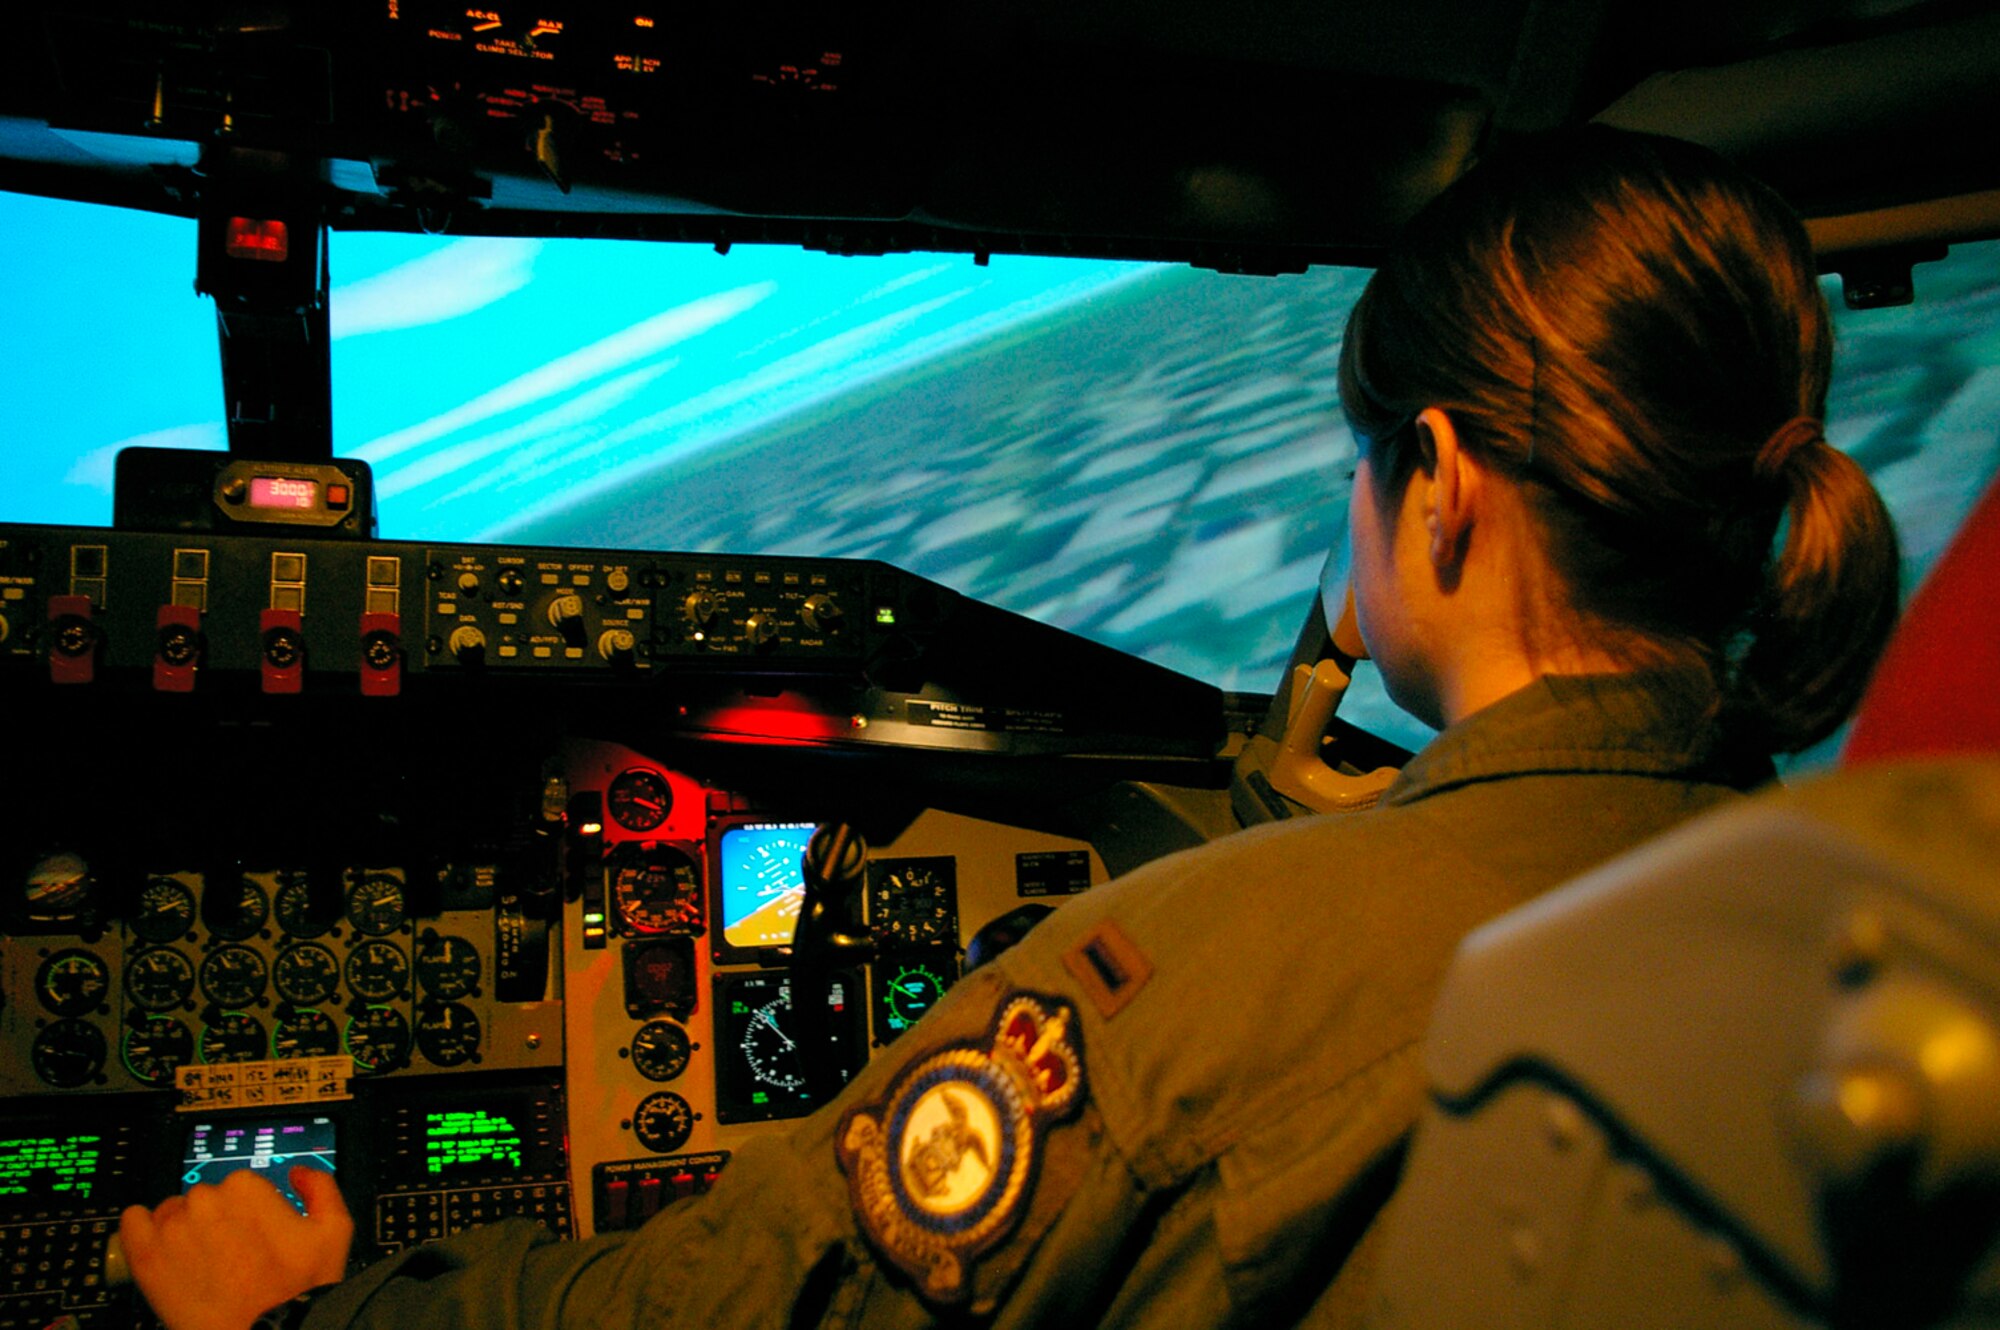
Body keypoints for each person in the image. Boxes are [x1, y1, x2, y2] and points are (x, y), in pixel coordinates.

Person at [116, 126, 1901, 1330]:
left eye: (1363, 465)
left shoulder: (1206, 977)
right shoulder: (1874, 911)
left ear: (1436, 484)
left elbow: (736, 1302)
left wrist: (301, 1307)